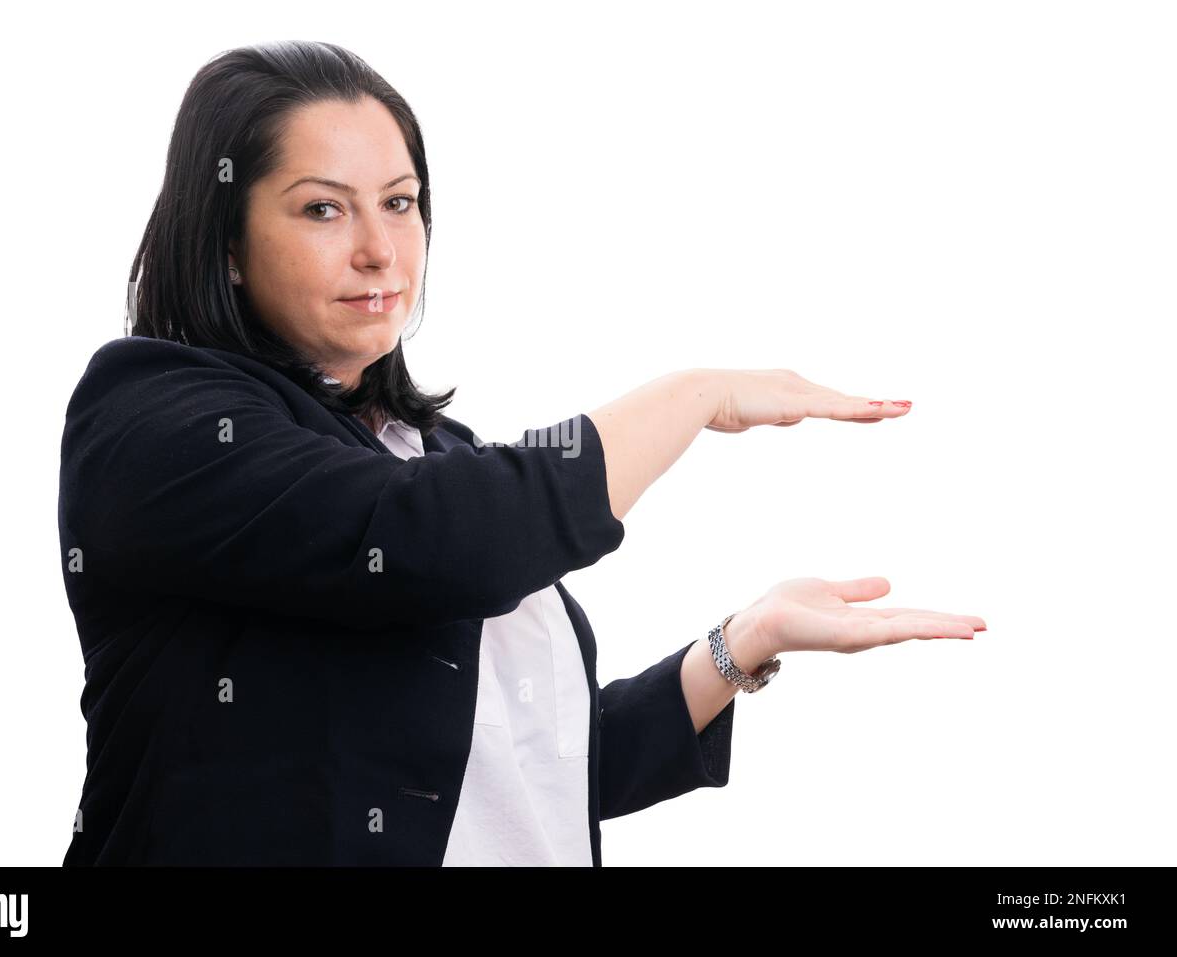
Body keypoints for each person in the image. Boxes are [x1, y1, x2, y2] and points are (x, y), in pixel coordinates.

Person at [59, 40, 985, 866]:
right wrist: (692, 394)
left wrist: (745, 641)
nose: (382, 249)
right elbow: (437, 541)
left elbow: (531, 768)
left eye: (400, 203)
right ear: (227, 245)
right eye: (323, 211)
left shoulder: (428, 453)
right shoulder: (153, 418)